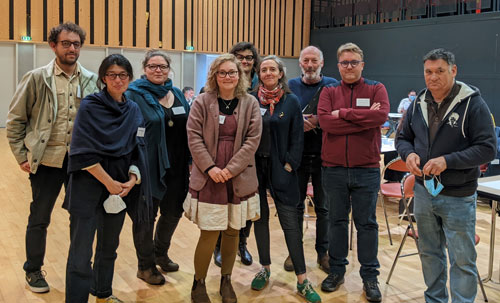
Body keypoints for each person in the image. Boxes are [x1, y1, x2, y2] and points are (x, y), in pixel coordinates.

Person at [396, 48, 497, 303]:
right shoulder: (418, 102)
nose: (433, 77)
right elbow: (402, 138)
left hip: (458, 196)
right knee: (430, 254)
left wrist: (448, 161)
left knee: (462, 259)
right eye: (428, 72)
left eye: (440, 71)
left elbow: (487, 149)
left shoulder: (473, 103)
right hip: (423, 192)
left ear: (453, 71)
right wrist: (408, 154)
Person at [6, 22, 98, 293]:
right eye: (66, 43)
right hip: (46, 160)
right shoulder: (36, 77)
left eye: (76, 44)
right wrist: (22, 155)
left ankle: (80, 271)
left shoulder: (91, 80)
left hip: (81, 162)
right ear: (53, 46)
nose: (72, 48)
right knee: (40, 217)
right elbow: (15, 121)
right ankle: (33, 269)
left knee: (81, 219)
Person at [65, 54, 150, 303]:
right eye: (112, 75)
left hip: (120, 188)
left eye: (123, 75)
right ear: (103, 78)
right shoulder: (90, 105)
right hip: (89, 184)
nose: (118, 79)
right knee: (81, 253)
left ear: (130, 79)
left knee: (108, 247)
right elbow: (80, 150)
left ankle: (103, 292)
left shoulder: (133, 109)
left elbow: (139, 146)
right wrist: (108, 182)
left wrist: (133, 178)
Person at [183, 53, 262, 303]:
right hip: (209, 177)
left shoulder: (249, 102)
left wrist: (231, 169)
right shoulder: (202, 101)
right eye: (223, 72)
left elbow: (252, 140)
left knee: (232, 232)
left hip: (237, 177)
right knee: (209, 232)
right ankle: (199, 282)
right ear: (215, 75)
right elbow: (193, 136)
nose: (228, 77)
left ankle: (226, 280)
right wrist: (210, 168)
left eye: (233, 72)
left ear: (240, 75)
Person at [318, 42, 389, 302]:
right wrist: (361, 120)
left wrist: (344, 114)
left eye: (354, 62)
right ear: (338, 66)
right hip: (334, 169)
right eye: (344, 63)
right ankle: (336, 271)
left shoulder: (376, 88)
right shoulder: (328, 90)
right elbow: (326, 122)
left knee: (367, 224)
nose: (349, 67)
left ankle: (370, 277)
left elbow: (380, 118)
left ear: (362, 64)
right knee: (336, 222)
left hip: (366, 169)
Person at [250, 55, 321, 303]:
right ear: (259, 74)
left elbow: (297, 137)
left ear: (281, 73)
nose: (268, 72)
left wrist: (290, 164)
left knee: (291, 223)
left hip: (283, 170)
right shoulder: (250, 100)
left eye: (273, 69)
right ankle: (265, 268)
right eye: (264, 69)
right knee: (260, 220)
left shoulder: (291, 101)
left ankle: (302, 279)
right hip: (255, 170)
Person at [125, 50, 190, 285]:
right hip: (147, 166)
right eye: (152, 66)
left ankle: (160, 253)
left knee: (173, 212)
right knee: (145, 217)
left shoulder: (176, 94)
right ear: (144, 69)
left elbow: (189, 126)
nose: (158, 70)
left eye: (162, 66)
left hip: (178, 165)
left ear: (169, 69)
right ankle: (145, 265)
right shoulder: (133, 94)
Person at [288, 45, 337, 274]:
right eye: (306, 60)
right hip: (297, 155)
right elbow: (284, 117)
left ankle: (322, 253)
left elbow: (340, 116)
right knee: (295, 207)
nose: (309, 65)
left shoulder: (333, 85)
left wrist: (320, 121)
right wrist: (300, 121)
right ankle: (294, 252)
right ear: (300, 63)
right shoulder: (290, 86)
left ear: (321, 63)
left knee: (324, 208)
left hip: (325, 155)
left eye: (314, 61)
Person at [213, 41, 261, 268]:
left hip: (252, 156)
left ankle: (242, 243)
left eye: (249, 57)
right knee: (222, 201)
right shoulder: (214, 90)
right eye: (239, 57)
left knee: (244, 202)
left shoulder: (259, 89)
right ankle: (219, 245)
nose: (245, 61)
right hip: (220, 160)